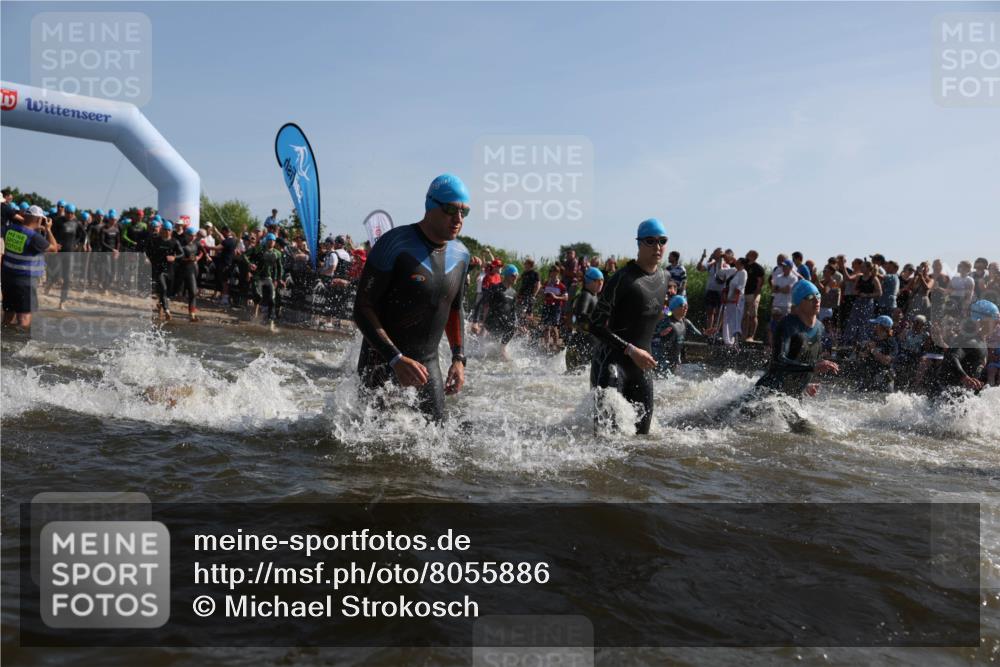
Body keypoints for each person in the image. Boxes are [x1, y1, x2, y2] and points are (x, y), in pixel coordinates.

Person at [352, 173, 471, 422]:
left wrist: (459, 359)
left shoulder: (461, 255)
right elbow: (362, 307)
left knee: (437, 440)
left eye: (464, 212)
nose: (458, 219)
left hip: (427, 366)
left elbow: (454, 308)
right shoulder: (395, 244)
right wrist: (395, 358)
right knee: (365, 450)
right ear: (431, 206)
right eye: (451, 209)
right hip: (382, 363)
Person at [584, 218, 670, 435]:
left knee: (643, 441)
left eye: (662, 241)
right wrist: (631, 349)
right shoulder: (622, 278)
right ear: (639, 244)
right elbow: (594, 324)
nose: (657, 247)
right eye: (651, 241)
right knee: (604, 442)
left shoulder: (665, 276)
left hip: (641, 369)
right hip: (612, 366)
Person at [742, 280, 840, 429]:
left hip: (792, 395)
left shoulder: (820, 327)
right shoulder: (787, 325)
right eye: (809, 297)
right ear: (799, 302)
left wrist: (805, 384)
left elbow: (805, 358)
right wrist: (812, 368)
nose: (816, 300)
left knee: (807, 432)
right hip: (769, 394)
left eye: (818, 295)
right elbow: (779, 361)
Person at [925, 299, 997, 398]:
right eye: (995, 322)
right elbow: (951, 356)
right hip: (944, 395)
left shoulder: (979, 341)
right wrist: (965, 378)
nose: (997, 326)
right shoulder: (969, 340)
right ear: (983, 321)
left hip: (957, 396)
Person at [2, 205, 59, 329]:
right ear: (39, 220)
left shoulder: (10, 229)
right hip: (25, 282)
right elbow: (54, 249)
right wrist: (48, 230)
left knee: (8, 314)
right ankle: (19, 344)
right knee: (24, 319)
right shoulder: (34, 237)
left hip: (7, 278)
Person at [652, 294, 705, 376]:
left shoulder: (686, 322)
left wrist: (707, 334)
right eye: (682, 305)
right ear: (674, 307)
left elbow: (700, 336)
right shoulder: (666, 322)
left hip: (675, 362)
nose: (686, 307)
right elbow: (650, 336)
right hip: (662, 362)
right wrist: (659, 334)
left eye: (687, 305)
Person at [46, 203, 85, 309]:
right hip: (59, 252)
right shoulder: (59, 221)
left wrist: (77, 243)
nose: (70, 215)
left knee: (67, 278)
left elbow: (82, 236)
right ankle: (50, 284)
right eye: (68, 212)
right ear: (65, 212)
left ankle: (62, 302)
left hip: (70, 252)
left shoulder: (77, 223)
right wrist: (55, 243)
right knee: (56, 274)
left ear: (74, 213)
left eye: (72, 213)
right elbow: (51, 233)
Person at [565, 267, 604, 372]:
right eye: (597, 280)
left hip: (585, 342)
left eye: (602, 280)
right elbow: (580, 316)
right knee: (575, 379)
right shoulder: (586, 295)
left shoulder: (594, 296)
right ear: (588, 281)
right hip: (580, 344)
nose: (600, 283)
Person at [480, 264, 520, 361]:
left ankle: (501, 349)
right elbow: (486, 304)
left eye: (517, 276)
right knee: (491, 345)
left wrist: (517, 323)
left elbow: (513, 310)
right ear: (507, 275)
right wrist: (482, 322)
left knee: (513, 327)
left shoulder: (513, 293)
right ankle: (499, 351)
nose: (516, 278)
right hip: (493, 320)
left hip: (504, 322)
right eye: (513, 275)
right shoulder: (495, 288)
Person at [145, 221, 181, 320]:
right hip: (158, 269)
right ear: (162, 230)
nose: (166, 232)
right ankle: (167, 311)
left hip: (170, 270)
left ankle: (160, 306)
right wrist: (148, 258)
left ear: (171, 231)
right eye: (165, 229)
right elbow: (148, 250)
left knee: (166, 292)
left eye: (168, 230)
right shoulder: (156, 240)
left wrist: (175, 257)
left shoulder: (174, 242)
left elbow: (181, 254)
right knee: (163, 289)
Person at [855, 315, 898, 393]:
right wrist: (859, 350)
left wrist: (873, 350)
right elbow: (864, 355)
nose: (874, 326)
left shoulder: (892, 343)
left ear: (881, 327)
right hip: (869, 376)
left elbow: (886, 361)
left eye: (876, 324)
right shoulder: (874, 339)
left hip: (884, 379)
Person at [175, 226, 204, 321]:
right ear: (186, 235)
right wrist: (188, 259)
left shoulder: (196, 243)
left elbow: (202, 252)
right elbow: (177, 258)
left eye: (194, 236)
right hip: (181, 270)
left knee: (193, 292)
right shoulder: (181, 244)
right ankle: (162, 305)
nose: (192, 237)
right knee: (175, 293)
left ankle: (192, 313)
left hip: (192, 269)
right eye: (190, 236)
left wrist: (198, 258)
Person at [768, 259, 799, 348]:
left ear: (790, 267)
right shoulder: (778, 276)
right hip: (776, 303)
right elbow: (773, 289)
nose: (783, 268)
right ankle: (772, 344)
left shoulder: (793, 278)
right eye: (783, 266)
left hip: (786, 305)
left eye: (785, 266)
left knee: (785, 325)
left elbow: (788, 290)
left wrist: (779, 289)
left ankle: (784, 344)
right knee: (773, 325)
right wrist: (781, 289)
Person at [696, 247, 726, 333]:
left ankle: (716, 331)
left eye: (718, 253)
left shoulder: (725, 265)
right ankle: (709, 330)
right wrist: (702, 257)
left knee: (719, 313)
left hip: (720, 291)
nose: (715, 254)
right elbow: (699, 268)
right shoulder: (711, 264)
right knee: (710, 311)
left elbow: (724, 278)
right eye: (715, 252)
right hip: (710, 290)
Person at [540, 267, 568, 351]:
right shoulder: (546, 283)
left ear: (558, 273)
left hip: (556, 307)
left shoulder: (561, 286)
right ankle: (546, 345)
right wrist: (542, 293)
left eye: (555, 272)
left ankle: (555, 345)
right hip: (546, 306)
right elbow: (541, 292)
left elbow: (566, 298)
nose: (553, 274)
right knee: (546, 327)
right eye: (552, 272)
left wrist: (555, 297)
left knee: (554, 326)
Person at [741, 250, 765, 342]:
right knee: (744, 316)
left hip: (753, 294)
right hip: (744, 294)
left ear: (753, 256)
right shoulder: (745, 265)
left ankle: (751, 336)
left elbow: (760, 283)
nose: (746, 255)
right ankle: (744, 335)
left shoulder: (758, 268)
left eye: (748, 254)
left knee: (753, 315)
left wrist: (755, 297)